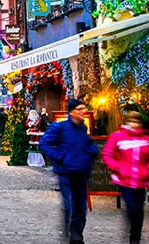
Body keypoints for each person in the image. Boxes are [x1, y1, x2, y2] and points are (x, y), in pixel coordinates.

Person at [39, 98, 100, 244]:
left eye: (84, 109)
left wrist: (92, 151)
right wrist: (59, 157)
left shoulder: (83, 128)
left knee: (81, 208)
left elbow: (86, 143)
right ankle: (68, 232)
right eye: (80, 109)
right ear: (72, 112)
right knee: (70, 206)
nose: (83, 112)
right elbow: (44, 143)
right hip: (66, 172)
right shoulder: (60, 127)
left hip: (82, 172)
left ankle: (76, 238)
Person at [101, 111, 149, 244]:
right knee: (133, 208)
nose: (134, 125)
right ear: (126, 122)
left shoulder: (145, 140)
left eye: (137, 122)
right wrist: (117, 167)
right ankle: (133, 236)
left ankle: (135, 239)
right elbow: (107, 154)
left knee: (139, 211)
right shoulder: (117, 136)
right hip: (124, 180)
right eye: (131, 122)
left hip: (140, 180)